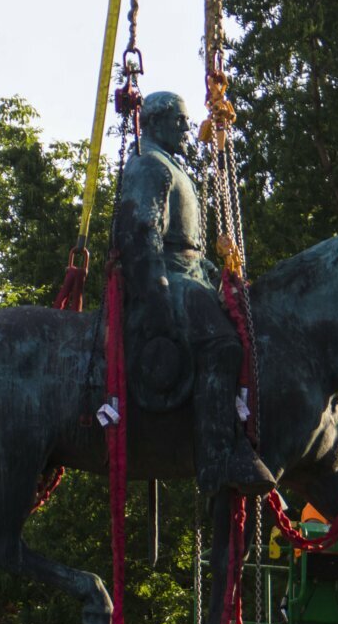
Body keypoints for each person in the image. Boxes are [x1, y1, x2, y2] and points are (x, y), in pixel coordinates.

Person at [115, 90, 275, 496]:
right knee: (222, 346)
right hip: (169, 277)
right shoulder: (150, 165)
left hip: (191, 273)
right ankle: (216, 456)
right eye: (180, 121)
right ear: (156, 122)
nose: (188, 130)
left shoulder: (171, 165)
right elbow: (141, 235)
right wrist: (157, 295)